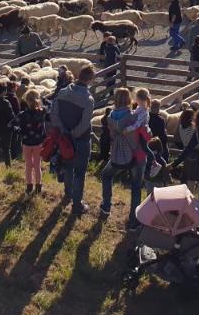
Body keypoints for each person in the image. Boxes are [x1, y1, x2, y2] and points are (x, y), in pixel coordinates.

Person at [50, 64, 96, 214]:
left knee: (68, 166)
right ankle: (77, 204)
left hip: (64, 138)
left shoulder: (62, 92)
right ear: (90, 80)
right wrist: (73, 134)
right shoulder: (88, 99)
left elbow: (54, 114)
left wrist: (64, 132)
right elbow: (84, 123)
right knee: (80, 172)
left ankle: (68, 193)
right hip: (81, 140)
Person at [100, 87, 146, 230]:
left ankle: (106, 206)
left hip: (117, 155)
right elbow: (144, 133)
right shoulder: (134, 116)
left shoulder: (110, 117)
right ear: (129, 100)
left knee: (106, 175)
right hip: (134, 155)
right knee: (136, 186)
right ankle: (134, 221)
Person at [18, 88, 48, 194]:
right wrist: (42, 99)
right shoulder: (42, 112)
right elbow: (49, 107)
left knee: (28, 165)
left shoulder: (22, 114)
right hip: (38, 143)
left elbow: (13, 124)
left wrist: (20, 131)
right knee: (37, 165)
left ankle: (29, 186)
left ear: (26, 100)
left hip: (26, 143)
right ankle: (38, 186)